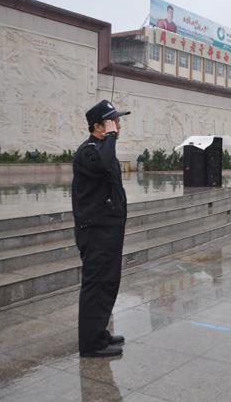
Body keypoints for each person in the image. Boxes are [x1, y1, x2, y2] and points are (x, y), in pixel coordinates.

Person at [72, 99, 129, 358]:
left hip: (109, 230)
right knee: (95, 286)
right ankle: (90, 344)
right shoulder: (89, 151)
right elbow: (104, 164)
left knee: (108, 283)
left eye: (117, 121)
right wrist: (112, 137)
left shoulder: (102, 148)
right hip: (95, 231)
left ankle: (99, 332)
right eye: (112, 121)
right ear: (97, 126)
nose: (117, 125)